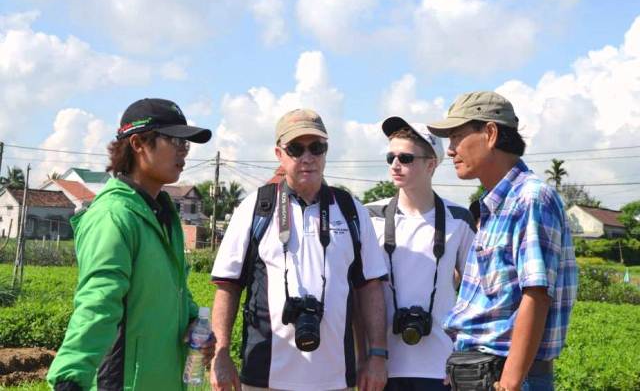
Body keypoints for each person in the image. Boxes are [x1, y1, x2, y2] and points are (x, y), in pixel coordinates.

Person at [210, 109, 389, 391]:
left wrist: (377, 354)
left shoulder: (350, 209)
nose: (308, 157)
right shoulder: (256, 207)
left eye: (316, 148)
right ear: (279, 153)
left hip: (335, 378)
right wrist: (221, 353)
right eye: (296, 148)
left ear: (326, 152)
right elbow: (227, 286)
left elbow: (369, 287)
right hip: (264, 376)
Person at [47, 98, 214, 390]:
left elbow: (172, 286)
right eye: (175, 140)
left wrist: (191, 318)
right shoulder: (115, 216)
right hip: (125, 382)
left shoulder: (161, 212)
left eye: (186, 144)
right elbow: (99, 302)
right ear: (138, 143)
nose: (183, 151)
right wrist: (70, 377)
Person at [427, 91, 577, 391]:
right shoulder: (494, 206)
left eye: (457, 137)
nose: (451, 150)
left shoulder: (530, 198)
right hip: (476, 372)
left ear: (491, 133)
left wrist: (509, 382)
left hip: (506, 376)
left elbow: (536, 295)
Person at [365, 117, 476, 391]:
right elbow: (359, 292)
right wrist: (366, 357)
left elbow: (476, 295)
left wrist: (464, 359)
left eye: (405, 157)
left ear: (431, 164)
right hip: (382, 366)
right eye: (390, 157)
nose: (395, 164)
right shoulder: (369, 216)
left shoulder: (458, 220)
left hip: (441, 366)